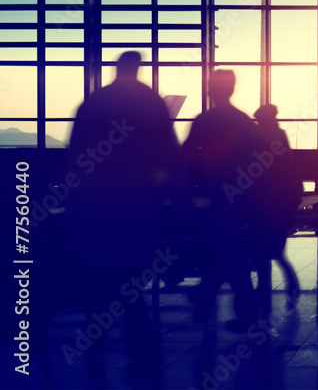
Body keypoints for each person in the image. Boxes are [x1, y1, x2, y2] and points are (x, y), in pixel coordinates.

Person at [65, 50, 186, 377]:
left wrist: (74, 202)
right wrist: (177, 203)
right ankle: (143, 358)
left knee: (100, 275)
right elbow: (169, 154)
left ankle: (96, 346)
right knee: (128, 281)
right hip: (139, 205)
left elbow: (77, 157)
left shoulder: (94, 103)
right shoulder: (151, 103)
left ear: (116, 69)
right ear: (139, 69)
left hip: (100, 204)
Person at [183, 70, 269, 332]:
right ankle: (211, 299)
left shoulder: (205, 120)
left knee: (227, 250)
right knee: (228, 251)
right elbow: (261, 161)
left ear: (211, 89)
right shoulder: (243, 121)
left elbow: (185, 157)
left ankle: (216, 302)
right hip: (243, 195)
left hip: (219, 195)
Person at [252, 104, 302, 311]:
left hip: (268, 202)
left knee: (264, 251)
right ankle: (289, 285)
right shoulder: (280, 136)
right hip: (285, 200)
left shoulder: (262, 138)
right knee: (276, 250)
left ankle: (264, 293)